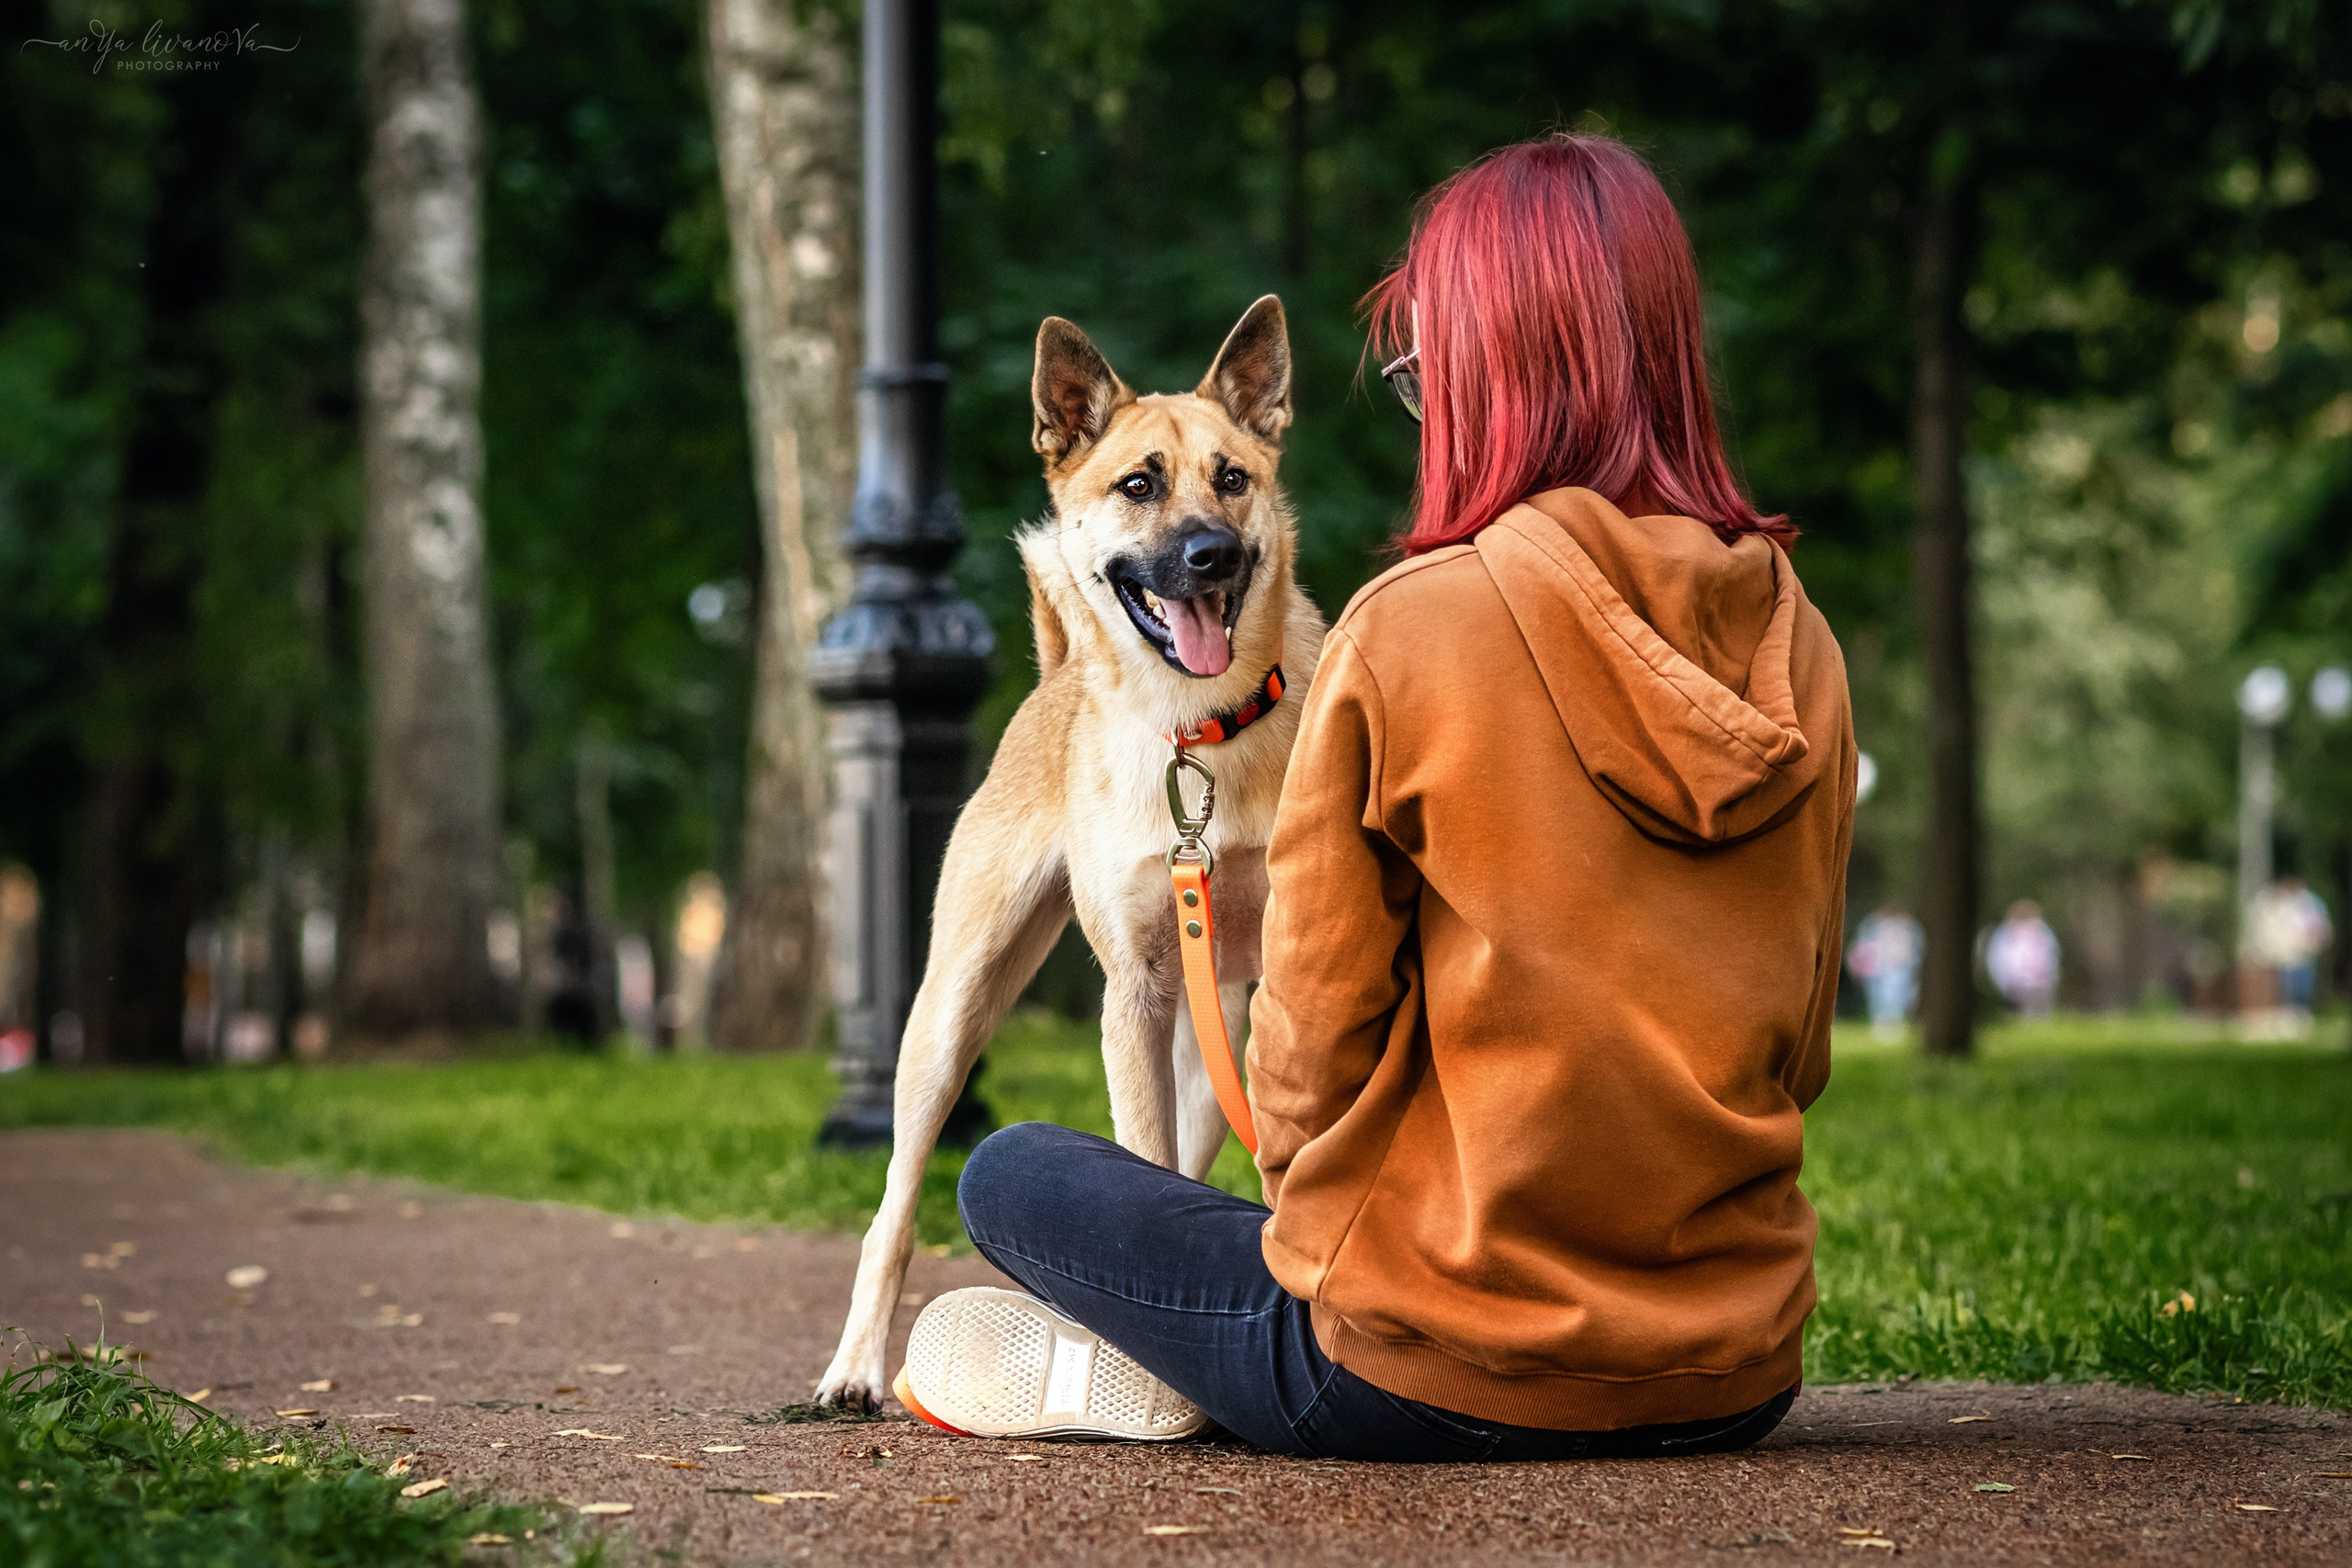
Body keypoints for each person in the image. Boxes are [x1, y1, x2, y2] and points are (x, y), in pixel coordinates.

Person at [899, 133, 1854, 1461]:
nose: (1417, 401)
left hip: (1425, 1362)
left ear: (1494, 376)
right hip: (1734, 1366)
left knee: (1012, 1175)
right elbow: (1802, 1048)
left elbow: (1300, 1082)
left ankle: (1159, 1366)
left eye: (1419, 368)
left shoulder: (1407, 630)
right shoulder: (1796, 636)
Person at [2245, 876, 2334, 1018]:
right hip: (2291, 952)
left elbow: (2317, 928)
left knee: (2300, 983)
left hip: (2303, 951)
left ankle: (2301, 1010)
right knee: (2289, 983)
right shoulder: (2290, 905)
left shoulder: (2309, 904)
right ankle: (2291, 1011)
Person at [1847, 908, 1924, 1041]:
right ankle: (1884, 1026)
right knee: (1881, 997)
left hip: (1896, 968)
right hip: (1880, 969)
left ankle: (1892, 1026)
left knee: (1895, 998)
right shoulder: (1872, 926)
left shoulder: (1907, 927)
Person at [1983, 900, 2061, 1019]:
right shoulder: (2004, 934)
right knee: (2016, 1020)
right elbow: (1996, 960)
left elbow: (2052, 955)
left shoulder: (2043, 932)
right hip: (2014, 987)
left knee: (2039, 1020)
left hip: (2040, 986)